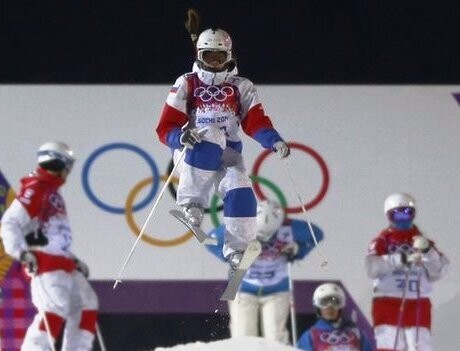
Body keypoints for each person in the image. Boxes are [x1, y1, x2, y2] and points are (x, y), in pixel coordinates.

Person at [156, 28, 290, 271]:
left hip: (228, 154)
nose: (215, 63)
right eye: (209, 57)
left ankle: (237, 250)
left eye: (220, 56)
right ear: (199, 56)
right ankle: (192, 203)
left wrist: (273, 140)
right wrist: (179, 136)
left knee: (241, 188)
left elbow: (255, 120)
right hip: (194, 150)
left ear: (229, 56)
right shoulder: (187, 82)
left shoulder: (241, 85)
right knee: (214, 134)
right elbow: (165, 126)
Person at [0, 142, 99, 350]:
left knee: (86, 303)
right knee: (53, 310)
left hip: (62, 263)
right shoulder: (36, 188)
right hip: (45, 264)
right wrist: (22, 253)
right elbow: (10, 223)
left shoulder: (51, 190)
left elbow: (52, 235)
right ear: (57, 162)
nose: (68, 171)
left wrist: (72, 259)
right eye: (67, 165)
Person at [207, 199, 323, 344]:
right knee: (243, 337)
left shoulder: (289, 228)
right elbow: (209, 240)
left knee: (275, 338)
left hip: (277, 290)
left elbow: (317, 234)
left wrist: (298, 249)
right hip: (243, 289)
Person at [365, 193, 449, 351]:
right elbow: (372, 268)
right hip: (387, 301)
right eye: (397, 215)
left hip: (418, 302)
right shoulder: (382, 240)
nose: (403, 219)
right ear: (389, 215)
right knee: (390, 345)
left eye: (407, 213)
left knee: (420, 346)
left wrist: (428, 251)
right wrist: (401, 259)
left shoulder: (423, 241)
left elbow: (439, 271)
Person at [297, 282, 374, 351]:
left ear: (341, 306)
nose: (330, 307)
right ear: (318, 307)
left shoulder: (358, 335)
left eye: (335, 302)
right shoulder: (310, 337)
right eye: (324, 302)